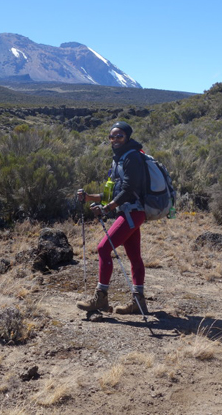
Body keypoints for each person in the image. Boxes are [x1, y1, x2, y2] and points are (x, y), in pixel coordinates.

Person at [76, 122, 148, 315]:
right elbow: (113, 192)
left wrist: (107, 209)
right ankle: (138, 302)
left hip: (132, 212)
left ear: (128, 137)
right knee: (134, 256)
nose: (115, 140)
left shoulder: (132, 157)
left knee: (103, 248)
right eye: (112, 137)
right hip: (129, 212)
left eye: (120, 136)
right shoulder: (120, 159)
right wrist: (89, 197)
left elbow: (129, 190)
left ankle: (101, 298)